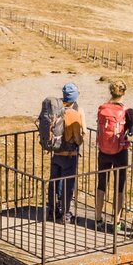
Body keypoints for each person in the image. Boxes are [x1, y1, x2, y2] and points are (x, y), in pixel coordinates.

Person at [94, 80, 133, 233]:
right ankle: (117, 222)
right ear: (124, 92)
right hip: (120, 152)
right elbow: (131, 131)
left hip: (103, 151)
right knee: (120, 187)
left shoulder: (102, 108)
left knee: (101, 184)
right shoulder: (128, 111)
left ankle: (98, 218)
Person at [46, 83, 87, 224]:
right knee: (68, 185)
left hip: (56, 153)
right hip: (69, 156)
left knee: (54, 182)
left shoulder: (55, 110)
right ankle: (66, 214)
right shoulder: (74, 114)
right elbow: (78, 139)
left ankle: (51, 211)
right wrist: (81, 138)